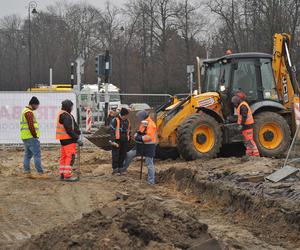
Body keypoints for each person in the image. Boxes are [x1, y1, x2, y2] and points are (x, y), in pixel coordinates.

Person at [123, 110, 157, 185]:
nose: (138, 119)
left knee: (149, 164)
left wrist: (139, 137)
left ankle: (151, 182)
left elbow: (148, 137)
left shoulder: (151, 124)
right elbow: (140, 132)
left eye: (139, 117)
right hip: (140, 145)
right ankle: (123, 169)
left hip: (148, 146)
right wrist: (138, 134)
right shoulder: (144, 122)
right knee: (129, 155)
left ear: (142, 117)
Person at [20, 96, 48, 179]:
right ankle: (40, 172)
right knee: (37, 155)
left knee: (27, 154)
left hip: (25, 136)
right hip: (31, 137)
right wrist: (35, 135)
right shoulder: (28, 112)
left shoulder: (24, 111)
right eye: (37, 105)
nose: (37, 107)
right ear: (34, 104)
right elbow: (31, 125)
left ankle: (26, 171)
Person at [56, 100, 82, 182]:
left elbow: (72, 127)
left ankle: (63, 174)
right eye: (71, 106)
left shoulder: (62, 114)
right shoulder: (66, 116)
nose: (72, 108)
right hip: (68, 140)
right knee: (70, 157)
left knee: (64, 157)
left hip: (63, 140)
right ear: (68, 107)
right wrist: (77, 138)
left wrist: (78, 132)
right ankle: (67, 175)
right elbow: (69, 130)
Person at [110, 108, 130, 175]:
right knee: (116, 155)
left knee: (123, 155)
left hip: (124, 140)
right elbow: (112, 131)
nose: (127, 117)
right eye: (126, 115)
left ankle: (121, 168)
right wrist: (113, 141)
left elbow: (129, 131)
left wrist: (128, 139)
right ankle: (115, 170)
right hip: (117, 141)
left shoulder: (127, 121)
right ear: (123, 115)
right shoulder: (115, 120)